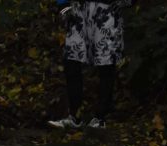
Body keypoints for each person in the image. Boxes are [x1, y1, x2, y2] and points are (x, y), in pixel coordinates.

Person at [48, 0, 130, 130]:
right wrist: (63, 6)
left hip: (106, 11)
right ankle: (74, 116)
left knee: (106, 62)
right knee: (71, 60)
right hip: (78, 10)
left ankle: (100, 118)